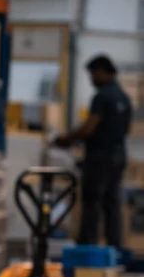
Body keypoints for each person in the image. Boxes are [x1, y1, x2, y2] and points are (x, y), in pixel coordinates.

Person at [56, 55, 132, 248]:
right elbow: (126, 129)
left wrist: (67, 140)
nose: (91, 79)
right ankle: (116, 247)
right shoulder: (124, 97)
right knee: (112, 203)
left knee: (91, 201)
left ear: (102, 71)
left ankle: (87, 246)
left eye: (93, 74)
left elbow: (90, 127)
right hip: (119, 154)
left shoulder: (102, 96)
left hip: (99, 157)